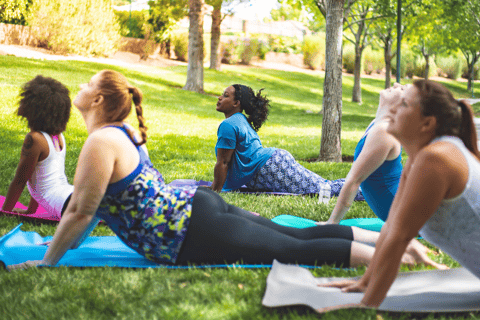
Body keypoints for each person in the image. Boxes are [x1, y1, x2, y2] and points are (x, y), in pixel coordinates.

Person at [7, 71, 444, 271]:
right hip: (199, 212)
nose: (78, 90)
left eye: (86, 86)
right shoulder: (120, 133)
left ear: (99, 101)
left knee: (295, 249)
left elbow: (82, 211)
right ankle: (399, 245)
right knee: (297, 237)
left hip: (192, 228)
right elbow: (90, 211)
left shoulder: (102, 141)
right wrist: (58, 248)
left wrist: (48, 261)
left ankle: (401, 256)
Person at [318, 80, 480, 311]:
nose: (392, 109)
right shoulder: (420, 158)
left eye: (403, 104)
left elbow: (399, 238)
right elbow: (390, 228)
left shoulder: (436, 158)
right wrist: (365, 283)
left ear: (427, 123)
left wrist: (367, 305)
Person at [211, 84, 363, 201]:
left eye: (225, 96)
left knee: (323, 190)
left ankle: (367, 191)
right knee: (323, 186)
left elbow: (223, 162)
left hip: (270, 167)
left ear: (236, 103)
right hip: (272, 163)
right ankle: (363, 185)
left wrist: (214, 192)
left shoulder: (229, 125)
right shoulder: (239, 120)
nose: (219, 98)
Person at [319, 83, 404, 224]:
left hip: (407, 215)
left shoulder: (384, 131)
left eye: (402, 89)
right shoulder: (378, 123)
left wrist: (331, 223)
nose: (395, 84)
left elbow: (354, 181)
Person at [1, 75, 74, 220]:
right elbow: (40, 179)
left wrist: (5, 212)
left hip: (66, 203)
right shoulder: (58, 136)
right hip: (69, 195)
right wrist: (30, 211)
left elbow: (20, 179)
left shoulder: (35, 139)